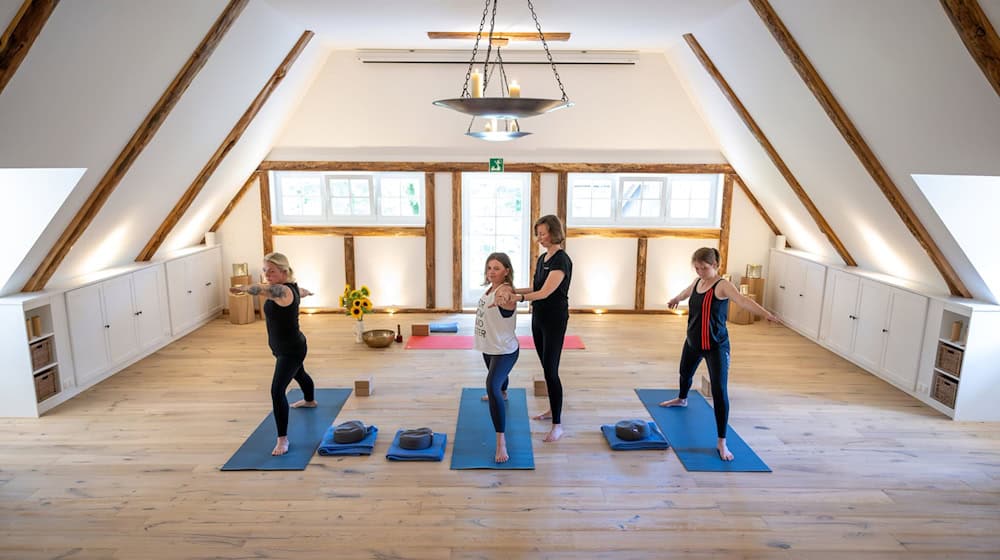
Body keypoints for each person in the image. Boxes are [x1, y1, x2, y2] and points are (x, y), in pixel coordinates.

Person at [660, 247, 779, 461]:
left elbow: (743, 301)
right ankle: (682, 399)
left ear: (715, 265)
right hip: (693, 342)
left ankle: (722, 442)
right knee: (684, 373)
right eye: (696, 268)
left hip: (716, 347)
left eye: (704, 268)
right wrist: (675, 298)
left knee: (719, 391)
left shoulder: (722, 286)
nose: (699, 272)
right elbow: (688, 291)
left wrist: (766, 314)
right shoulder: (698, 282)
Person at [230, 252, 316, 456]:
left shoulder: (282, 291)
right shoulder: (292, 288)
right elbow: (300, 291)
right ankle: (310, 400)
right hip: (287, 347)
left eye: (272, 271)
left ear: (284, 272)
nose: (267, 274)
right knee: (300, 374)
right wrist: (307, 292)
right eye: (265, 270)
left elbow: (260, 289)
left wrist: (242, 288)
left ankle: (283, 440)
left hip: (291, 350)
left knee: (277, 391)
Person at [512, 215, 572, 443]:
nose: (539, 237)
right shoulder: (542, 259)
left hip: (555, 320)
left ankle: (558, 424)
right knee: (545, 366)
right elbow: (536, 288)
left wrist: (517, 297)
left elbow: (546, 292)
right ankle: (551, 409)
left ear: (554, 233)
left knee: (551, 371)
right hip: (538, 317)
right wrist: (511, 289)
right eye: (538, 233)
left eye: (543, 233)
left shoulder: (561, 260)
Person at [475, 252, 519, 463]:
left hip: (505, 350)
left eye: (497, 268)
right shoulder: (490, 288)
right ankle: (504, 391)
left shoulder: (504, 291)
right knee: (498, 382)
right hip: (489, 346)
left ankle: (501, 442)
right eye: (489, 267)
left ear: (506, 271)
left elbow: (507, 299)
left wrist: (505, 300)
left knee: (491, 386)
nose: (492, 272)